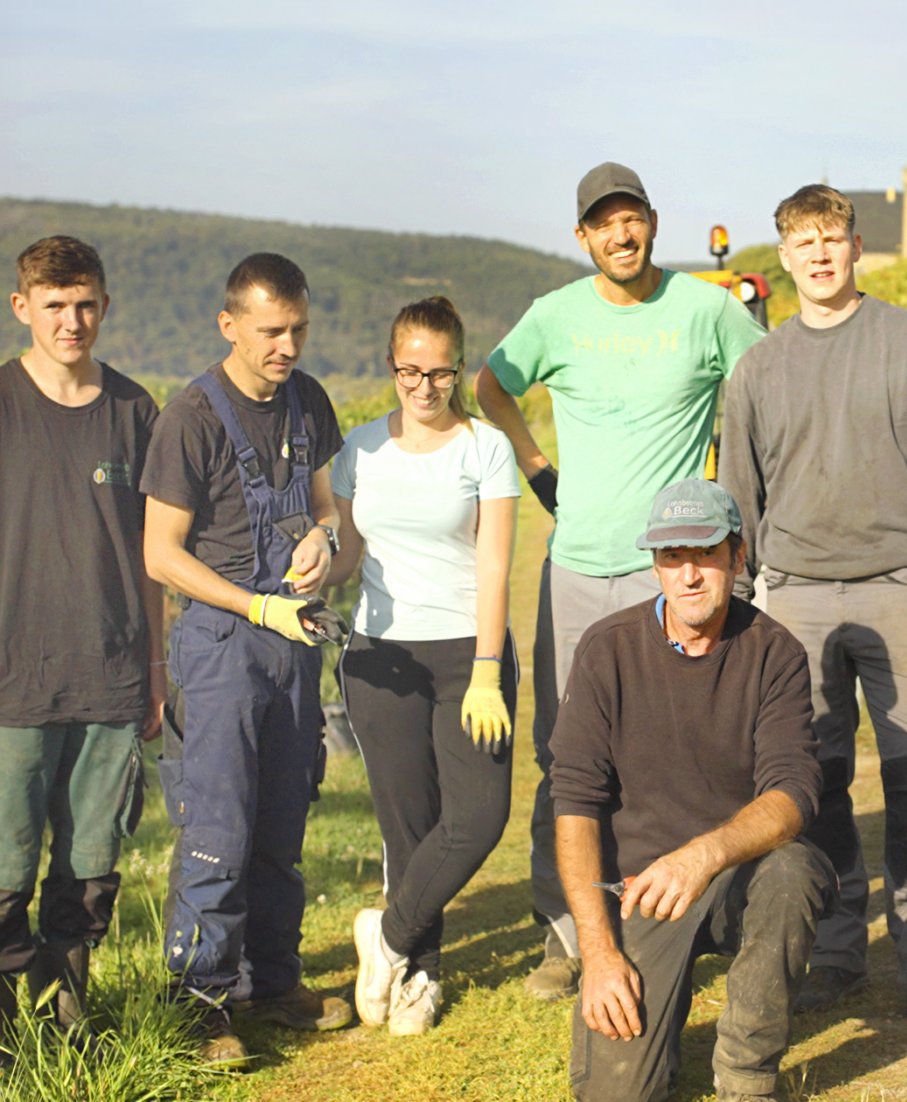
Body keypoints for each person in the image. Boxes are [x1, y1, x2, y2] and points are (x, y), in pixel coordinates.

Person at [475, 162, 767, 1000]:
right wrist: (536, 465)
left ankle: (697, 912)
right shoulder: (554, 317)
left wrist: (739, 503)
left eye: (631, 218)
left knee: (687, 742)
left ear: (650, 221)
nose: (620, 235)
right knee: (568, 751)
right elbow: (491, 384)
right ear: (584, 237)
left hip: (673, 574)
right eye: (603, 224)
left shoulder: (707, 309)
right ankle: (564, 936)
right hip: (575, 568)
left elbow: (766, 389)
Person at [718, 184, 907, 1034]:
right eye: (804, 242)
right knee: (812, 782)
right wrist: (736, 604)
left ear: (856, 245)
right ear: (786, 257)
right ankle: (834, 948)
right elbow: (739, 493)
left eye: (833, 238)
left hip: (898, 584)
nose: (821, 255)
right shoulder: (759, 366)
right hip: (791, 596)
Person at [551, 478, 832, 1102]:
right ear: (655, 567)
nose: (690, 575)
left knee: (794, 870)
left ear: (737, 558)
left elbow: (794, 792)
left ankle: (746, 1073)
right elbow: (574, 802)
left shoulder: (775, 653)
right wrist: (597, 955)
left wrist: (703, 856)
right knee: (615, 1093)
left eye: (706, 554)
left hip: (737, 876)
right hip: (640, 893)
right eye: (672, 557)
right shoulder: (607, 650)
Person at [141, 253, 352, 1063]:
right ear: (229, 324)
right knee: (218, 827)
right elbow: (161, 553)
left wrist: (324, 541)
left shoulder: (308, 403)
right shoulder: (190, 417)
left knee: (282, 820)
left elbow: (330, 509)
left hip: (294, 647)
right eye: (270, 331)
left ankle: (271, 979)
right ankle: (197, 999)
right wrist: (255, 601)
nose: (286, 345)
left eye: (298, 328)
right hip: (221, 645)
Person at [328, 296, 521, 1036]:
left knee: (476, 818)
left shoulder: (485, 448)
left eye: (439, 372)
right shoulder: (359, 449)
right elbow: (348, 556)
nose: (424, 386)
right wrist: (315, 568)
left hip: (466, 654)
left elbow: (496, 567)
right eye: (410, 370)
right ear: (391, 367)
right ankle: (419, 972)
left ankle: (386, 936)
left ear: (457, 370)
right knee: (409, 827)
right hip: (381, 658)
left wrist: (482, 671)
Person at [0, 237, 163, 1039]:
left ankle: (67, 1030)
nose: (73, 321)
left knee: (88, 871)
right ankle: (7, 1039)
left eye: (86, 303)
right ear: (22, 306)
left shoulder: (135, 412)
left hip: (111, 677)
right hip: (12, 683)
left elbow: (154, 558)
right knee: (3, 874)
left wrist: (157, 672)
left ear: (105, 304)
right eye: (56, 305)